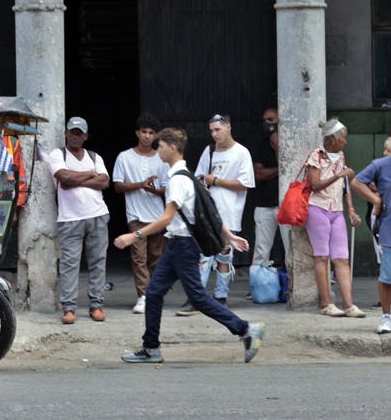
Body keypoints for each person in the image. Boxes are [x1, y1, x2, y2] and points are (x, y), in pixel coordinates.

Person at [115, 127, 265, 364]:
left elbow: (166, 218)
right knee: (153, 294)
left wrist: (135, 236)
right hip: (176, 245)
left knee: (196, 297)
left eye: (161, 146)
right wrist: (228, 236)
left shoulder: (177, 180)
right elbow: (207, 211)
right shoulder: (188, 174)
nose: (157, 151)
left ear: (172, 148)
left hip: (183, 246)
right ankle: (151, 348)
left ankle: (245, 329)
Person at [178, 113, 254, 314]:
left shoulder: (241, 153)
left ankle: (221, 296)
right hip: (207, 213)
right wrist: (204, 186)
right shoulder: (209, 150)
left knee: (224, 255)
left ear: (228, 127)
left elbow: (245, 184)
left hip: (230, 212)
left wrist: (216, 181)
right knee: (203, 254)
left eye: (217, 129)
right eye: (211, 130)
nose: (214, 134)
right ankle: (196, 298)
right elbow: (198, 179)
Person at [48, 117, 110, 324]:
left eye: (79, 133)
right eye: (72, 132)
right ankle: (69, 308)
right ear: (66, 133)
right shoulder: (58, 154)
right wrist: (90, 175)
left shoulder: (94, 156)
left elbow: (104, 181)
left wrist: (74, 179)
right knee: (69, 264)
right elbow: (65, 179)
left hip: (98, 215)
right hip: (69, 218)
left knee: (98, 262)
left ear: (86, 136)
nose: (75, 136)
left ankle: (96, 305)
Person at [304, 118, 365, 318]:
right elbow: (314, 185)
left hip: (337, 210)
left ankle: (349, 305)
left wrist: (351, 209)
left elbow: (345, 185)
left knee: (342, 258)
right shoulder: (316, 156)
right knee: (322, 256)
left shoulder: (340, 156)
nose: (345, 142)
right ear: (332, 138)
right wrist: (338, 176)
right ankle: (326, 303)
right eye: (343, 138)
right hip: (318, 208)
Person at [112, 113, 167, 315]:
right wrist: (140, 185)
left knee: (156, 259)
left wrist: (152, 190)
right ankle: (143, 297)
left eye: (151, 133)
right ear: (137, 132)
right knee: (139, 259)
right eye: (143, 131)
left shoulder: (162, 158)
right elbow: (117, 186)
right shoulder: (125, 157)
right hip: (135, 217)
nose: (146, 136)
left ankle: (154, 295)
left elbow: (167, 189)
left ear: (155, 136)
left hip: (158, 217)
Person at [350, 149, 391, 333]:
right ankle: (386, 316)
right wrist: (376, 200)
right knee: (388, 276)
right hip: (390, 230)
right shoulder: (381, 165)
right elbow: (356, 182)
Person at [252, 107, 288, 270]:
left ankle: (291, 286)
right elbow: (258, 174)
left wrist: (277, 144)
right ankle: (259, 285)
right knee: (261, 250)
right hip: (265, 205)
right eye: (264, 121)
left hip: (286, 205)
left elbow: (291, 170)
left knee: (292, 249)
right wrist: (280, 169)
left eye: (270, 120)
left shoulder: (289, 143)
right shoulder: (260, 145)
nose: (266, 123)